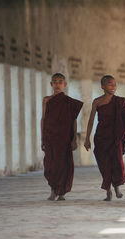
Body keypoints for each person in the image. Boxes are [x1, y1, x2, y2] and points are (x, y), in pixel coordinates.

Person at [84, 75, 125, 201]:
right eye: (109, 84)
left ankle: (117, 188)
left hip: (115, 137)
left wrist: (123, 132)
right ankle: (108, 190)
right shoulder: (97, 101)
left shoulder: (121, 101)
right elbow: (90, 121)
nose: (113, 86)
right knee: (104, 164)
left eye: (114, 84)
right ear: (102, 86)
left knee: (117, 163)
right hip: (101, 137)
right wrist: (87, 138)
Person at [41, 73, 83, 201]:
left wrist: (74, 139)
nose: (57, 84)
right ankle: (53, 190)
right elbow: (43, 119)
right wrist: (42, 137)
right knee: (50, 164)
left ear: (64, 84)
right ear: (51, 84)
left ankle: (61, 192)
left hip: (64, 138)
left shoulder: (69, 102)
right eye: (55, 82)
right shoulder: (47, 100)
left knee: (63, 165)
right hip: (50, 136)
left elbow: (73, 121)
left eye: (60, 82)